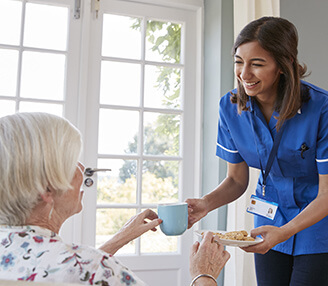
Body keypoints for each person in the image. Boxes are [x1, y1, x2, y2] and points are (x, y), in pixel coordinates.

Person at [0, 112, 229, 285]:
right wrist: (203, 274)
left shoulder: (80, 266)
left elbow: (72, 272)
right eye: (72, 162)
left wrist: (117, 240)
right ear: (46, 189)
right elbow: (85, 271)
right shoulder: (92, 267)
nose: (82, 169)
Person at [186, 16, 328, 285]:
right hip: (268, 221)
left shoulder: (322, 109)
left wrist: (286, 231)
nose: (244, 74)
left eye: (257, 64)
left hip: (318, 225)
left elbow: (327, 194)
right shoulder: (229, 107)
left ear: (283, 66)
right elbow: (236, 180)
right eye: (239, 62)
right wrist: (206, 203)